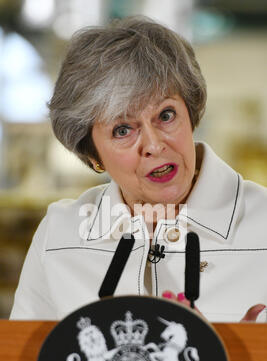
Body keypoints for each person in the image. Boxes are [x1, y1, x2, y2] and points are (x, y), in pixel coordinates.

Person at [10, 15, 267, 323]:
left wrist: (241, 357)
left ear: (191, 113)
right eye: (122, 130)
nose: (154, 144)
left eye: (166, 115)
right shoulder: (59, 233)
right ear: (93, 155)